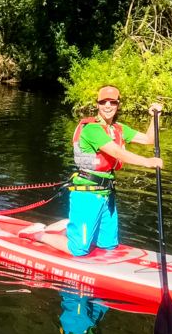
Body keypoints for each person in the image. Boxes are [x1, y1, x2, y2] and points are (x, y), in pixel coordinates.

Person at [20, 86, 163, 255]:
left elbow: (148, 139)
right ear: (97, 105)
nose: (108, 106)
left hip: (106, 194)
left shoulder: (118, 128)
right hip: (86, 194)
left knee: (108, 245)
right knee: (78, 249)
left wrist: (155, 118)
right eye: (103, 102)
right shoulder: (92, 129)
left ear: (118, 105)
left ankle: (70, 225)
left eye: (112, 102)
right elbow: (117, 153)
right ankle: (38, 234)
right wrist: (147, 162)